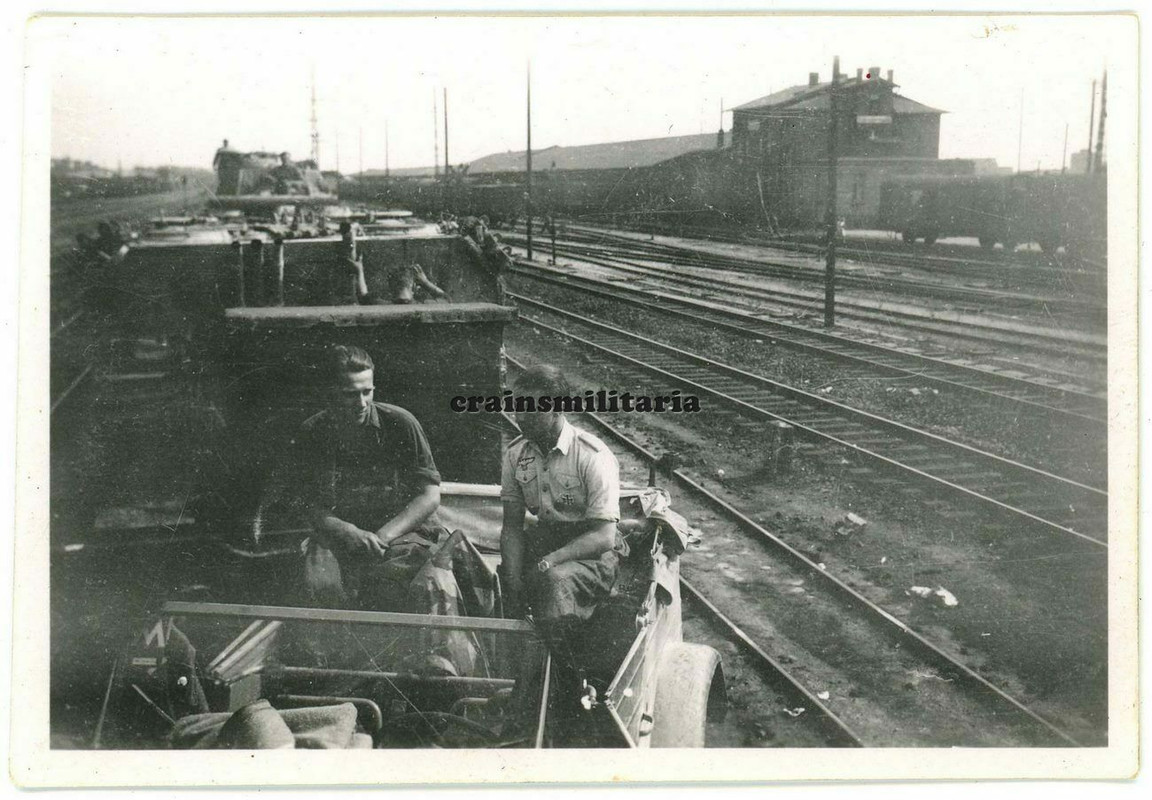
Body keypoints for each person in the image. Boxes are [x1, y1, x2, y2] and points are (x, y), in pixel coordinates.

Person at [287, 345, 494, 678]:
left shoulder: (401, 424)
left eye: (366, 391)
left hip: (404, 534)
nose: (360, 402)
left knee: (398, 583)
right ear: (330, 393)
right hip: (342, 537)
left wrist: (382, 536)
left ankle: (423, 674)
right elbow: (308, 505)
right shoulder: (313, 433)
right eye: (349, 393)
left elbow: (429, 496)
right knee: (317, 584)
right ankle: (333, 676)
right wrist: (347, 531)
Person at [499, 365, 625, 661]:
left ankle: (563, 678)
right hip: (544, 545)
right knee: (501, 581)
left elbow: (604, 536)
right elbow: (512, 527)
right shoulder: (517, 455)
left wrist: (547, 563)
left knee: (553, 584)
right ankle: (508, 667)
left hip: (591, 556)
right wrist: (514, 577)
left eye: (531, 409)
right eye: (517, 406)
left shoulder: (592, 456)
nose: (520, 417)